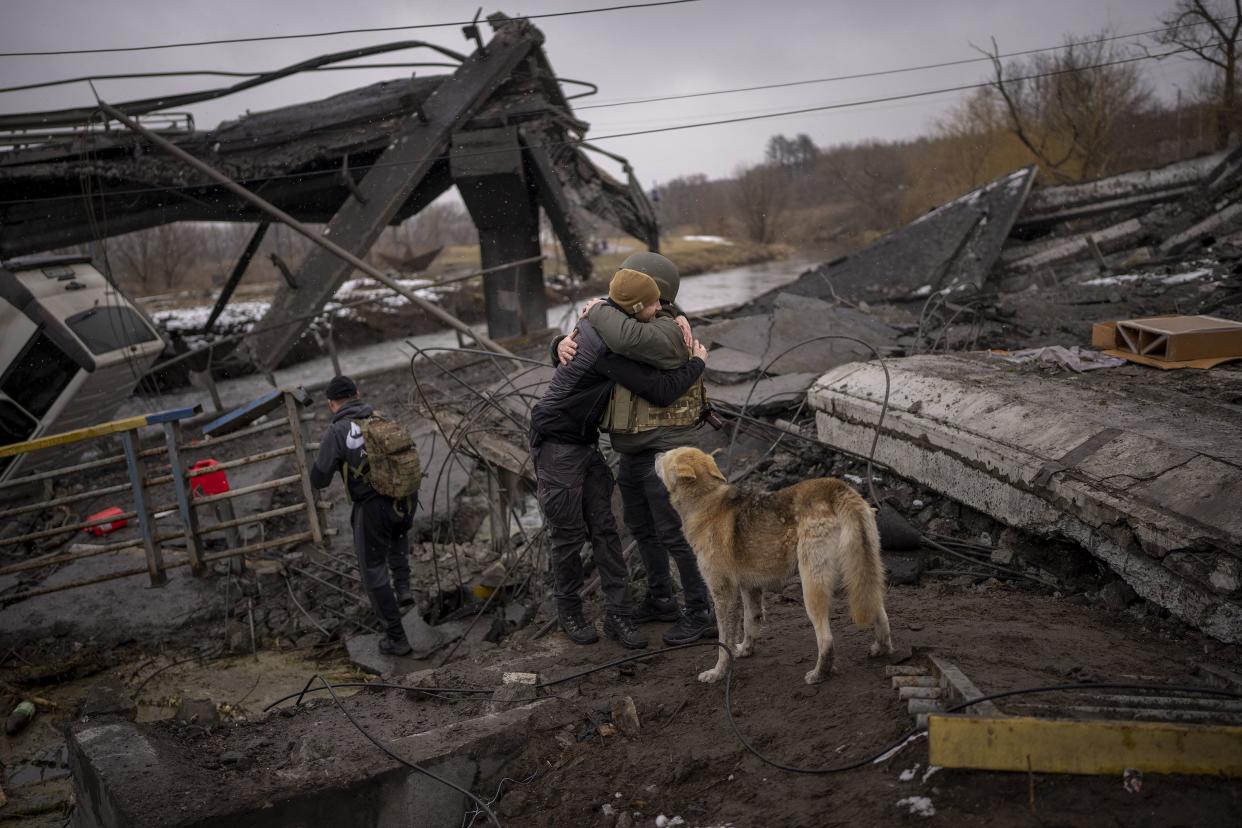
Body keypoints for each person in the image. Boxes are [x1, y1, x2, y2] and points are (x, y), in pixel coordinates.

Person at [531, 268, 709, 649]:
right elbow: (660, 390)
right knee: (568, 535)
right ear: (633, 307)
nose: (662, 307)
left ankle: (620, 614)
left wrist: (675, 317)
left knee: (606, 529)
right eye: (656, 303)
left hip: (584, 441)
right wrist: (697, 362)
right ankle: (571, 610)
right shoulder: (608, 346)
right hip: (557, 440)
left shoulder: (619, 327)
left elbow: (644, 323)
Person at [310, 375, 416, 656]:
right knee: (397, 535)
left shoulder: (338, 430)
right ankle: (404, 588)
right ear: (357, 393)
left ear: (332, 404)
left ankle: (397, 638)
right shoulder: (382, 417)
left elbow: (319, 478)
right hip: (406, 499)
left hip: (373, 506)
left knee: (373, 571)